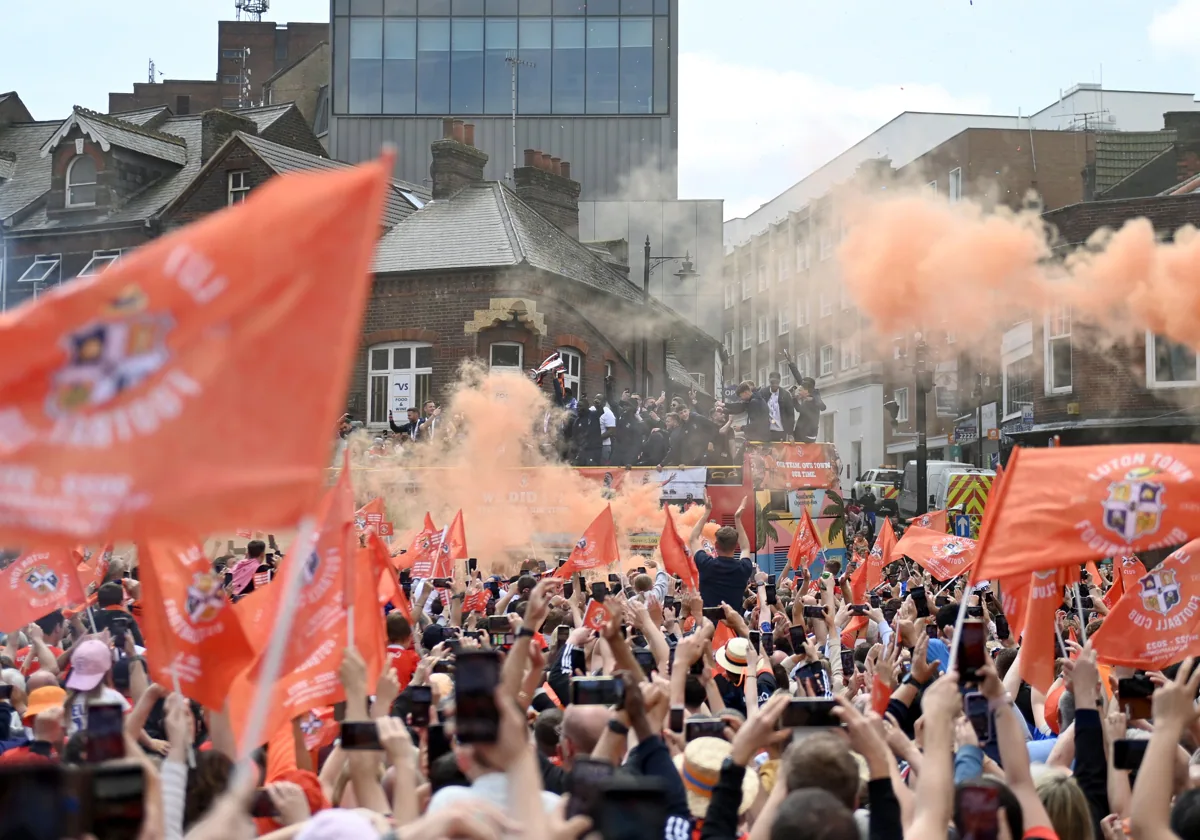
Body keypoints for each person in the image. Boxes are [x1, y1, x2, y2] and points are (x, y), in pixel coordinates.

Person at [687, 496, 753, 609]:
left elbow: (693, 538)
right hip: (734, 624)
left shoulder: (706, 564)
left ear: (716, 545)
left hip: (709, 624)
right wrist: (737, 519)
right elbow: (746, 548)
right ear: (735, 546)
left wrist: (707, 512)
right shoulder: (743, 568)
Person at [758, 370, 796, 442]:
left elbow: (791, 415)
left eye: (777, 382)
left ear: (780, 381)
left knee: (780, 452)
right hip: (766, 431)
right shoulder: (763, 393)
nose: (775, 385)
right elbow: (758, 412)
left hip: (781, 431)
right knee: (767, 451)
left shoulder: (785, 395)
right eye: (772, 382)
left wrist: (790, 433)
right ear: (769, 381)